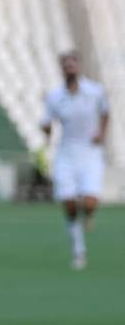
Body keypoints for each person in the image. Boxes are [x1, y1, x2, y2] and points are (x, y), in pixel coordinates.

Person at [41, 51, 109, 270]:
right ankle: (79, 251)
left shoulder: (95, 91)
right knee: (69, 203)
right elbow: (46, 123)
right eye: (66, 66)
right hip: (66, 153)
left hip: (90, 153)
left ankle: (88, 215)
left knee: (89, 201)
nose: (70, 69)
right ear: (62, 69)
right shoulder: (54, 96)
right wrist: (46, 132)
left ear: (79, 67)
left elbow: (106, 112)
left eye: (73, 65)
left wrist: (101, 133)